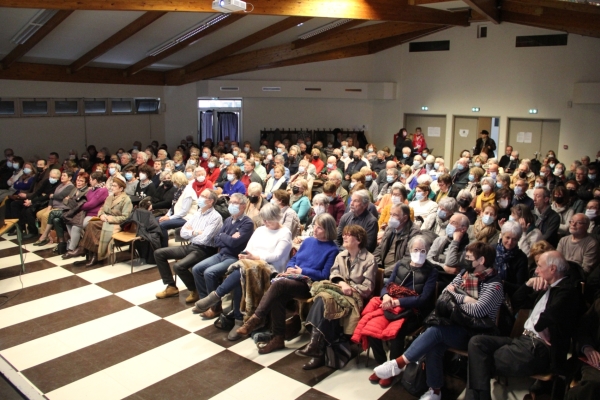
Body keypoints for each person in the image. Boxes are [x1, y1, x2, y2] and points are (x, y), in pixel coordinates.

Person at [374, 242, 504, 400]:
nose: (465, 260)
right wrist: (466, 299)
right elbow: (445, 294)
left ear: (481, 260)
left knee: (435, 332)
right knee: (434, 344)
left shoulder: (494, 284)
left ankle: (399, 363)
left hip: (477, 333)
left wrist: (455, 300)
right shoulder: (465, 273)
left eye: (469, 257)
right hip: (456, 324)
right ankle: (435, 391)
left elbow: (478, 311)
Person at [465, 251, 582, 400]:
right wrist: (528, 284)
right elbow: (516, 302)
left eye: (539, 266)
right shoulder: (547, 288)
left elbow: (550, 315)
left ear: (552, 269)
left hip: (538, 349)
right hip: (523, 340)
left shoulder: (567, 291)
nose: (536, 271)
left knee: (479, 360)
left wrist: (540, 326)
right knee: (477, 343)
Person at [236, 214, 339, 351]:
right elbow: (294, 259)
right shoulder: (308, 241)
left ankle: (256, 318)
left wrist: (302, 271)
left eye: (319, 228)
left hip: (310, 284)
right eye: (315, 225)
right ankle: (277, 338)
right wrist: (290, 268)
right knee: (278, 296)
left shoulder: (332, 249)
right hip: (294, 278)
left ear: (328, 230)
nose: (315, 229)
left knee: (279, 284)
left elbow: (324, 275)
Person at [192, 204, 293, 336]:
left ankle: (217, 296)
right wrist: (245, 254)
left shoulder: (285, 233)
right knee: (242, 276)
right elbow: (248, 247)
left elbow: (276, 256)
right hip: (250, 265)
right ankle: (239, 320)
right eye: (264, 219)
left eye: (268, 220)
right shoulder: (261, 230)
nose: (265, 222)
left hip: (270, 268)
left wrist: (255, 257)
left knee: (242, 274)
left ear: (276, 218)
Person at [360, 236, 438, 383]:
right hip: (391, 306)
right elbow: (387, 285)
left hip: (414, 311)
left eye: (423, 250)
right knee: (371, 328)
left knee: (397, 333)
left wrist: (397, 302)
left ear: (427, 252)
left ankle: (392, 370)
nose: (419, 253)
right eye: (416, 250)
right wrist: (386, 297)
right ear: (410, 250)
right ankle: (382, 365)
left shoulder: (431, 271)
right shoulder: (401, 264)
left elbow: (423, 299)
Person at [298, 224, 377, 369]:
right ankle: (317, 348)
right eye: (344, 234)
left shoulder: (369, 259)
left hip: (355, 297)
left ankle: (316, 346)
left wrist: (350, 288)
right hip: (338, 290)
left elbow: (367, 288)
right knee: (323, 298)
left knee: (324, 299)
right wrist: (342, 283)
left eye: (348, 235)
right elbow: (333, 274)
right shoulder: (341, 255)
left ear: (358, 240)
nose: (344, 237)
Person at [191, 193, 254, 321]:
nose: (231, 205)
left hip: (234, 257)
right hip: (221, 254)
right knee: (197, 269)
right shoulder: (228, 220)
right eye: (230, 202)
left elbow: (234, 243)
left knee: (209, 273)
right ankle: (205, 301)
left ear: (243, 205)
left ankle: (215, 306)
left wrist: (224, 237)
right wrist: (228, 237)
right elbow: (216, 240)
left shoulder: (247, 223)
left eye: (234, 203)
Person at [154, 189, 223, 302]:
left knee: (179, 266)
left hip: (205, 250)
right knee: (159, 253)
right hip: (192, 246)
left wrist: (191, 233)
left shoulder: (216, 217)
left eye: (203, 196)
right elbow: (182, 232)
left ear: (210, 201)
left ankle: (194, 290)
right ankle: (171, 286)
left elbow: (204, 239)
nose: (199, 198)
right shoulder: (198, 212)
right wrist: (195, 232)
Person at [73, 175, 133, 267]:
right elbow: (102, 208)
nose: (112, 187)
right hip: (105, 220)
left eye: (114, 186)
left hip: (116, 223)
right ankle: (89, 253)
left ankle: (91, 253)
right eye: (112, 185)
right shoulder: (110, 197)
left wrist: (109, 218)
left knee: (94, 228)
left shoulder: (126, 200)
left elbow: (126, 217)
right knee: (91, 224)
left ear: (121, 188)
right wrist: (101, 215)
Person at [63, 172, 109, 259]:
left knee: (76, 226)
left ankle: (71, 249)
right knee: (68, 221)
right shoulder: (91, 189)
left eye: (91, 179)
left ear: (95, 180)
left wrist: (77, 206)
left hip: (94, 214)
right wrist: (77, 204)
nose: (90, 181)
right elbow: (81, 200)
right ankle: (78, 245)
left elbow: (91, 204)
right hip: (85, 212)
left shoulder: (103, 190)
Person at [157, 171, 200, 248]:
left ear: (177, 181)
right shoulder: (179, 191)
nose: (173, 183)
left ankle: (163, 248)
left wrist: (169, 218)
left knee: (162, 225)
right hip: (178, 216)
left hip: (187, 218)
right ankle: (155, 245)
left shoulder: (188, 192)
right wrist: (166, 215)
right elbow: (173, 206)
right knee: (155, 220)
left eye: (174, 181)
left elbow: (184, 212)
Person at [14, 169, 60, 239]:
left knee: (29, 211)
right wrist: (29, 199)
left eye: (54, 178)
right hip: (40, 199)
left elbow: (47, 196)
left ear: (58, 178)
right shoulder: (47, 181)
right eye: (51, 177)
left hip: (48, 202)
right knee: (23, 207)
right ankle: (22, 228)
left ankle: (33, 231)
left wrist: (32, 202)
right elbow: (38, 192)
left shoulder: (58, 185)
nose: (52, 179)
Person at [32, 171, 75, 246]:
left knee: (45, 216)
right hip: (53, 206)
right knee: (39, 214)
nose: (62, 177)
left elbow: (60, 196)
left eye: (64, 175)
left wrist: (52, 195)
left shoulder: (70, 187)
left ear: (70, 178)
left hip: (62, 207)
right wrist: (49, 207)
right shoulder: (60, 185)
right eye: (62, 175)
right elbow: (52, 198)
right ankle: (48, 235)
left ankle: (43, 237)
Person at [569, 299, 600, 400]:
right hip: (596, 360)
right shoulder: (598, 304)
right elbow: (582, 328)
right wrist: (587, 347)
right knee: (592, 384)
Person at [495, 220, 528, 299]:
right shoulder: (491, 250)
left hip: (508, 297)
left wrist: (502, 283)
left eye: (514, 239)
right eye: (507, 237)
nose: (510, 242)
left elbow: (520, 287)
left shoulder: (521, 258)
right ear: (502, 235)